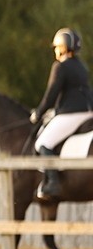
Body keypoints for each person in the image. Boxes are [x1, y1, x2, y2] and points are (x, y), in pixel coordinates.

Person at [31, 27, 93, 199]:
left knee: (43, 143)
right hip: (88, 111)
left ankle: (53, 182)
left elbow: (51, 95)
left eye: (57, 47)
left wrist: (38, 113)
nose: (56, 51)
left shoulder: (60, 67)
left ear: (64, 47)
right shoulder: (82, 66)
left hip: (71, 113)